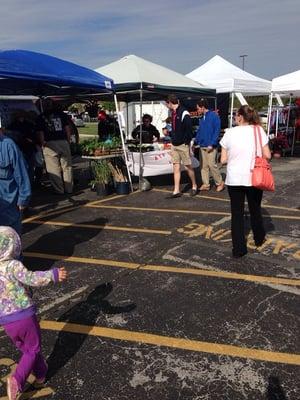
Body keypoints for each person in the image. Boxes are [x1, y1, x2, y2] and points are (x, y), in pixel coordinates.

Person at [0, 226, 67, 399]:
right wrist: (52, 275)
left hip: (7, 322)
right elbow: (31, 278)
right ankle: (17, 379)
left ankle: (40, 375)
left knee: (28, 350)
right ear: (14, 246)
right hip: (24, 315)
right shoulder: (13, 265)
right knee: (33, 349)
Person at [220, 105, 271, 258]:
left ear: (240, 116)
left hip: (234, 178)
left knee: (236, 214)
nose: (235, 118)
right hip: (253, 176)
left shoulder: (229, 133)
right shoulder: (258, 130)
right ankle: (259, 238)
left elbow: (222, 160)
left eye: (235, 115)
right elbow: (267, 155)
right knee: (255, 209)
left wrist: (234, 155)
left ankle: (239, 249)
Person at [36, 99, 73, 194]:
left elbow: (40, 132)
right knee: (67, 166)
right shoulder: (62, 114)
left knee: (53, 168)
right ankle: (69, 188)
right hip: (63, 141)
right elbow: (67, 128)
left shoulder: (41, 117)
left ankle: (59, 190)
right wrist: (68, 140)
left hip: (50, 143)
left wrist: (42, 143)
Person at [0, 128, 31, 236]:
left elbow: (21, 173)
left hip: (9, 207)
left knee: (11, 246)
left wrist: (23, 199)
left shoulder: (8, 145)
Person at [165, 94, 198, 197]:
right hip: (174, 144)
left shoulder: (184, 113)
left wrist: (187, 144)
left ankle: (194, 185)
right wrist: (170, 133)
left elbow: (189, 130)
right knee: (176, 167)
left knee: (188, 166)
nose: (167, 105)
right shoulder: (173, 112)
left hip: (183, 145)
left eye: (167, 103)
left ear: (170, 103)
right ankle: (176, 190)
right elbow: (176, 129)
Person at [195, 99, 225, 192]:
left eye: (198, 108)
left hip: (211, 146)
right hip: (202, 145)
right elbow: (200, 131)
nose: (197, 110)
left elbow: (216, 131)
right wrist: (196, 141)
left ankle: (219, 183)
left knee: (212, 165)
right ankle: (206, 184)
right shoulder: (201, 118)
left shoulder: (214, 116)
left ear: (202, 107)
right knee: (203, 166)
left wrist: (212, 144)